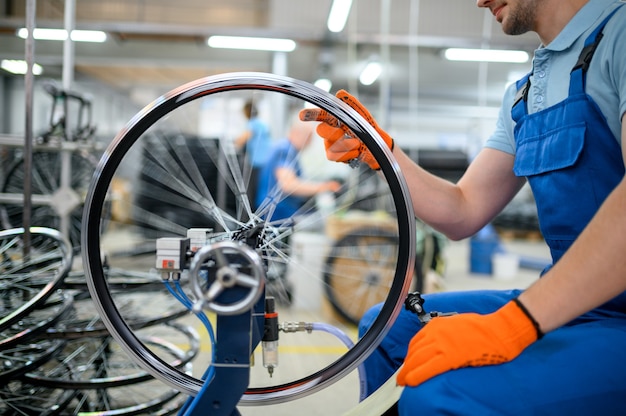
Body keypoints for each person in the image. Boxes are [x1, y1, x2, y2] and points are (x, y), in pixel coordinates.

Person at [299, 0, 626, 413]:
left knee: (437, 396)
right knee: (387, 328)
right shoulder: (525, 93)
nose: (478, 1)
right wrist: (380, 152)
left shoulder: (620, 34)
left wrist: (513, 324)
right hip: (578, 306)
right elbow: (463, 209)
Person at [256, 118, 341, 222]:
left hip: (282, 209)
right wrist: (324, 187)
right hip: (277, 211)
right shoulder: (285, 150)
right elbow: (288, 185)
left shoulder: (289, 150)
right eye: (309, 137)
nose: (310, 142)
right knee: (320, 222)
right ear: (296, 133)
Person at [235, 99, 272, 210]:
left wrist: (233, 143)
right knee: (262, 190)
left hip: (257, 164)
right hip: (267, 162)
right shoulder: (263, 125)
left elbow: (241, 140)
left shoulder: (252, 124)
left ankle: (252, 217)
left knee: (252, 192)